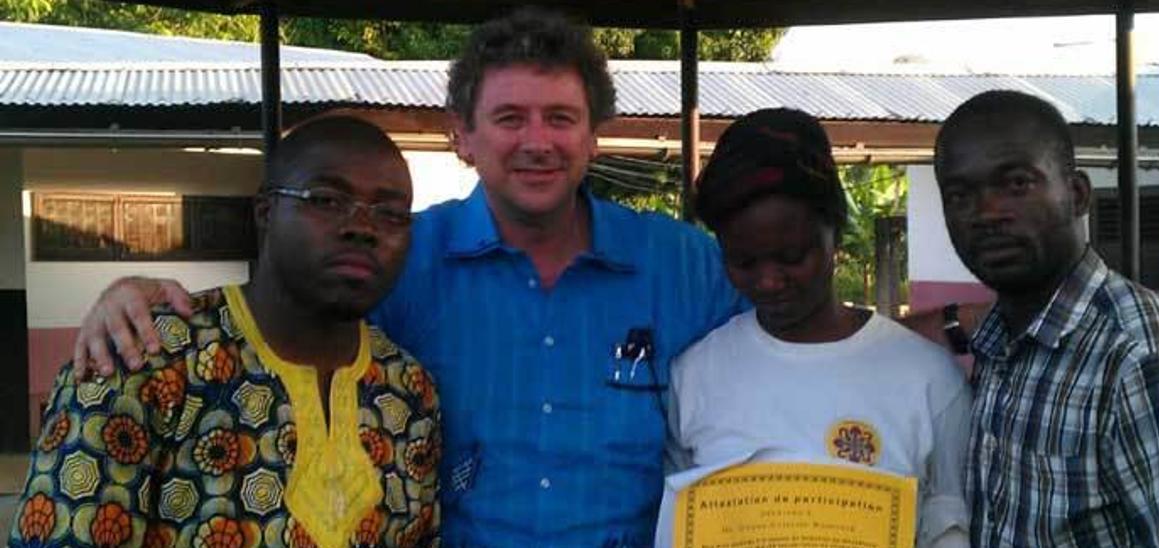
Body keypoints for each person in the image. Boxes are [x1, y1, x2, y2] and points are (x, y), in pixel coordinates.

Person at [69, 9, 744, 546]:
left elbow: (789, 337)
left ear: (594, 135)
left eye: (561, 118)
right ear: (463, 136)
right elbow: (275, 318)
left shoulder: (687, 266)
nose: (537, 141)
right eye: (509, 118)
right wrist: (130, 292)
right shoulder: (399, 256)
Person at [9, 116, 442, 547]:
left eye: (389, 213)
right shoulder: (144, 358)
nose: (362, 227)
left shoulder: (409, 391)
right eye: (326, 199)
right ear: (265, 211)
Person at [934, 90, 1159, 546]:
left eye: (1016, 184)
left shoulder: (1153, 366)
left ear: (1076, 194)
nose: (986, 213)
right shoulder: (1001, 347)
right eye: (959, 195)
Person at [663, 108, 970, 547]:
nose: (768, 281)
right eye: (744, 262)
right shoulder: (695, 375)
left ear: (836, 235)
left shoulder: (928, 379)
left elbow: (951, 526)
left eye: (791, 257)